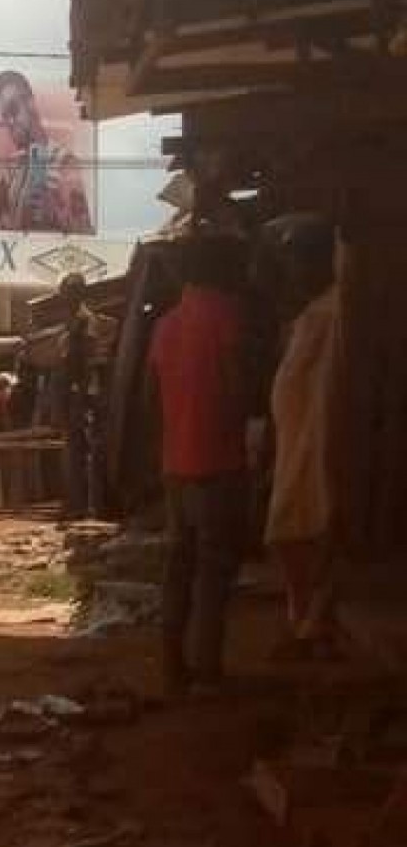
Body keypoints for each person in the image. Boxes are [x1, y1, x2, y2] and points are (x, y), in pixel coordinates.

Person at [147, 233, 252, 697]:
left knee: (179, 566)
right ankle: (207, 670)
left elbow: (153, 399)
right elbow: (236, 387)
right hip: (219, 462)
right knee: (213, 570)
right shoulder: (227, 316)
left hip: (176, 465)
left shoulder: (165, 326)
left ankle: (172, 666)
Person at [263, 216, 343, 661]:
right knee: (292, 535)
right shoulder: (312, 316)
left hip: (320, 444)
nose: (293, 272)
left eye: (300, 261)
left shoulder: (334, 315)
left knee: (307, 534)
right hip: (297, 445)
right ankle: (307, 624)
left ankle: (312, 627)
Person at [0, 70, 91, 234]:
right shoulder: (13, 166)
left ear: (31, 103)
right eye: (4, 117)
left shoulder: (65, 163)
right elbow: (8, 221)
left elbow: (84, 230)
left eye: (13, 110)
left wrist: (55, 215)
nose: (10, 122)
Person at [59, 272, 95, 519]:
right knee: (72, 450)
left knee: (83, 451)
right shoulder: (71, 321)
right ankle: (75, 502)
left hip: (81, 392)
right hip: (71, 392)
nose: (65, 299)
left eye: (68, 294)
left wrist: (80, 390)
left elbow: (87, 359)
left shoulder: (85, 320)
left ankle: (85, 504)